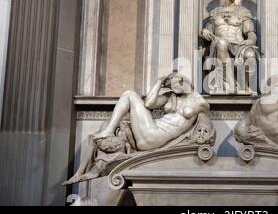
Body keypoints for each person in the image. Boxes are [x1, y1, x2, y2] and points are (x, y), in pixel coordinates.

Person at [64, 72, 211, 185]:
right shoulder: (171, 96)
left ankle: (108, 130)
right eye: (169, 85)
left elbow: (205, 126)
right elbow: (149, 104)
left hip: (155, 137)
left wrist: (201, 136)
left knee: (129, 95)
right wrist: (159, 82)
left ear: (182, 82)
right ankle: (79, 173)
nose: (171, 87)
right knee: (99, 132)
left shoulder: (200, 102)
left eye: (172, 84)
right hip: (151, 132)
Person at [201, 0, 259, 94]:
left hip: (238, 45)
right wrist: (204, 31)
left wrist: (251, 40)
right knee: (222, 42)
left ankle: (244, 86)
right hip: (219, 44)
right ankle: (231, 85)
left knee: (250, 55)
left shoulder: (243, 11)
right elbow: (210, 34)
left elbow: (251, 32)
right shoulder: (214, 12)